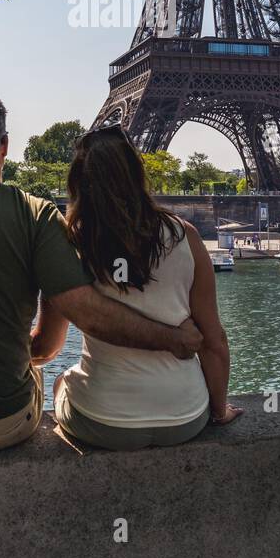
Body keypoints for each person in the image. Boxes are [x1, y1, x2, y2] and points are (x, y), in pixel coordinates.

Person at [0, 93, 203, 455]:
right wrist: (171, 338)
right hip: (5, 424)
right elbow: (79, 316)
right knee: (36, 371)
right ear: (4, 145)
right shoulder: (36, 214)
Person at [31, 125, 242, 451]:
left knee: (62, 380)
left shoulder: (71, 243)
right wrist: (219, 410)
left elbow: (48, 347)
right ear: (136, 172)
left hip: (104, 420)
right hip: (186, 417)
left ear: (78, 181)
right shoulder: (187, 237)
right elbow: (214, 341)